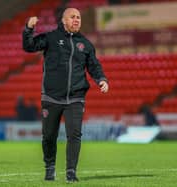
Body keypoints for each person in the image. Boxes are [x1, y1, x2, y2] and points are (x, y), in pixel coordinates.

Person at [22, 8, 109, 182]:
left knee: (74, 135)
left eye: (78, 17)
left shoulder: (85, 44)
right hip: (51, 96)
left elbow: (94, 65)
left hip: (76, 97)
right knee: (48, 136)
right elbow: (29, 46)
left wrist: (101, 78)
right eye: (72, 17)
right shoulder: (51, 38)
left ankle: (71, 172)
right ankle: (50, 167)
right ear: (63, 20)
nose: (76, 20)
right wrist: (28, 30)